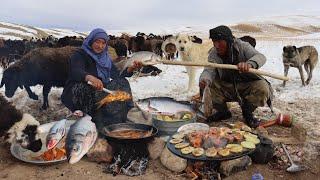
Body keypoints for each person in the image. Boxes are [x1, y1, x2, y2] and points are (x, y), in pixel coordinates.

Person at [61, 28, 142, 129]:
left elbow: (117, 75)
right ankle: (92, 118)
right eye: (97, 41)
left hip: (98, 90)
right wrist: (89, 77)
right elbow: (75, 71)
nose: (100, 46)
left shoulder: (105, 58)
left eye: (103, 43)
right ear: (91, 41)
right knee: (85, 89)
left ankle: (125, 113)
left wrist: (131, 68)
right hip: (77, 92)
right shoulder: (80, 55)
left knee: (122, 82)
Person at [199, 25, 273, 128]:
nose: (216, 45)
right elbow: (208, 70)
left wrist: (249, 64)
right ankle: (223, 112)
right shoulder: (213, 53)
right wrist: (204, 80)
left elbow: (261, 57)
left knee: (262, 87)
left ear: (228, 40)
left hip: (245, 85)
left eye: (219, 41)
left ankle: (247, 113)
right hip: (226, 87)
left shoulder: (243, 46)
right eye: (214, 41)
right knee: (209, 85)